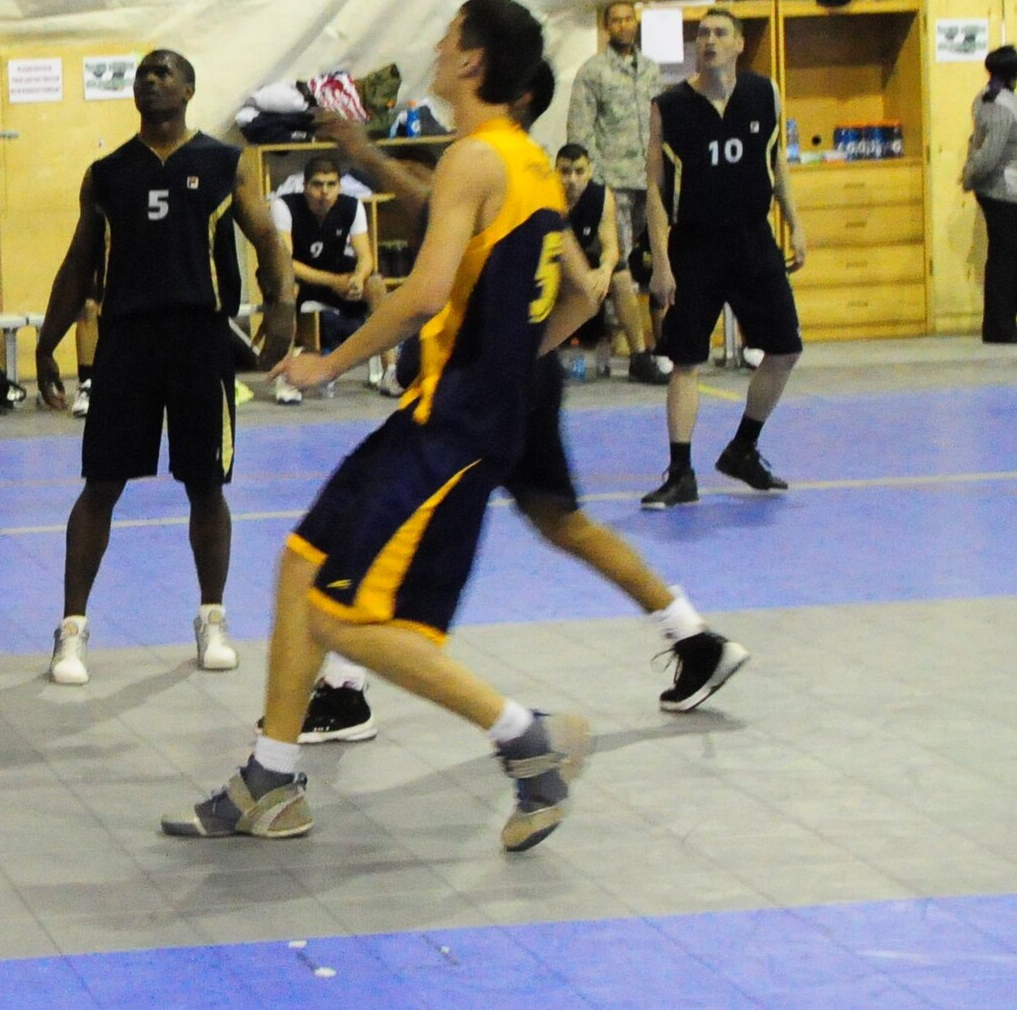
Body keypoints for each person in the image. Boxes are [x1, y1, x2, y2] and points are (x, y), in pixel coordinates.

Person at [163, 0, 604, 852]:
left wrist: (328, 363)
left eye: (447, 42)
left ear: (473, 63)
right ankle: (271, 778)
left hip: (456, 428)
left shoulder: (477, 158)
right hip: (455, 415)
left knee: (339, 612)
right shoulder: (530, 165)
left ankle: (526, 738)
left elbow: (425, 293)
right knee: (303, 563)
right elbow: (582, 295)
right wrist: (515, 357)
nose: (436, 52)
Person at [297, 71, 749, 748]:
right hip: (523, 375)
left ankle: (346, 692)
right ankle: (694, 637)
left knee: (397, 518)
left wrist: (367, 158)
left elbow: (435, 218)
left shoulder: (491, 161)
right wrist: (527, 349)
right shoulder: (536, 172)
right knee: (562, 521)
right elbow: (582, 290)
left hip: (479, 389)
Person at [34, 50, 295, 685]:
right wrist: (47, 342)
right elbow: (79, 264)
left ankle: (212, 617)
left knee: (206, 484)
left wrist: (283, 303)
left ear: (188, 88)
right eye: (142, 74)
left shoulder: (223, 163)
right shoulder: (107, 173)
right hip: (126, 342)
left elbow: (267, 238)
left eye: (164, 72)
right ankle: (71, 630)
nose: (150, 81)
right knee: (101, 484)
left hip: (201, 339)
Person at [641, 9, 806, 508]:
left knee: (785, 349)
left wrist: (795, 223)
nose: (708, 41)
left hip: (753, 238)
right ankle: (680, 471)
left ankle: (744, 449)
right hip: (695, 243)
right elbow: (654, 190)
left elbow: (775, 163)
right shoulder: (669, 106)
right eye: (702, 35)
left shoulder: (764, 93)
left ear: (738, 44)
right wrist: (661, 262)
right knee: (686, 360)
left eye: (719, 33)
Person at [566, 0, 667, 384]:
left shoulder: (653, 71)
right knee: (618, 260)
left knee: (657, 261)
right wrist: (592, 184)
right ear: (606, 27)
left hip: (650, 180)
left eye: (629, 19)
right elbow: (580, 131)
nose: (623, 25)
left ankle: (662, 342)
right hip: (614, 182)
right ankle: (623, 344)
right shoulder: (593, 72)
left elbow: (662, 122)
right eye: (616, 20)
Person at [270, 155, 387, 403]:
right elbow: (286, 262)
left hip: (334, 272)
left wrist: (358, 278)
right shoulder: (284, 206)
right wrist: (334, 281)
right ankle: (287, 377)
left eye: (331, 184)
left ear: (339, 186)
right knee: (285, 285)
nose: (324, 192)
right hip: (299, 275)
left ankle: (391, 371)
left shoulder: (352, 206)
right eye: (317, 185)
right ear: (304, 186)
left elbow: (366, 257)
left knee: (375, 284)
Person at [961, 45, 1017, 346]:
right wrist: (972, 173)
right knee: (1008, 259)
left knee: (1001, 258)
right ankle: (1002, 327)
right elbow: (990, 153)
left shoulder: (985, 98)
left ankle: (998, 325)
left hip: (994, 190)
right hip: (1002, 190)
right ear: (1016, 72)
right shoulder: (1002, 106)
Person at [554, 143, 619, 368]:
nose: (572, 179)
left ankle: (640, 354)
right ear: (555, 172)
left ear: (590, 171)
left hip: (585, 265)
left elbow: (611, 247)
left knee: (622, 278)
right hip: (551, 267)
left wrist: (605, 271)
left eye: (579, 171)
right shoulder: (544, 197)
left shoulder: (602, 197)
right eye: (565, 172)